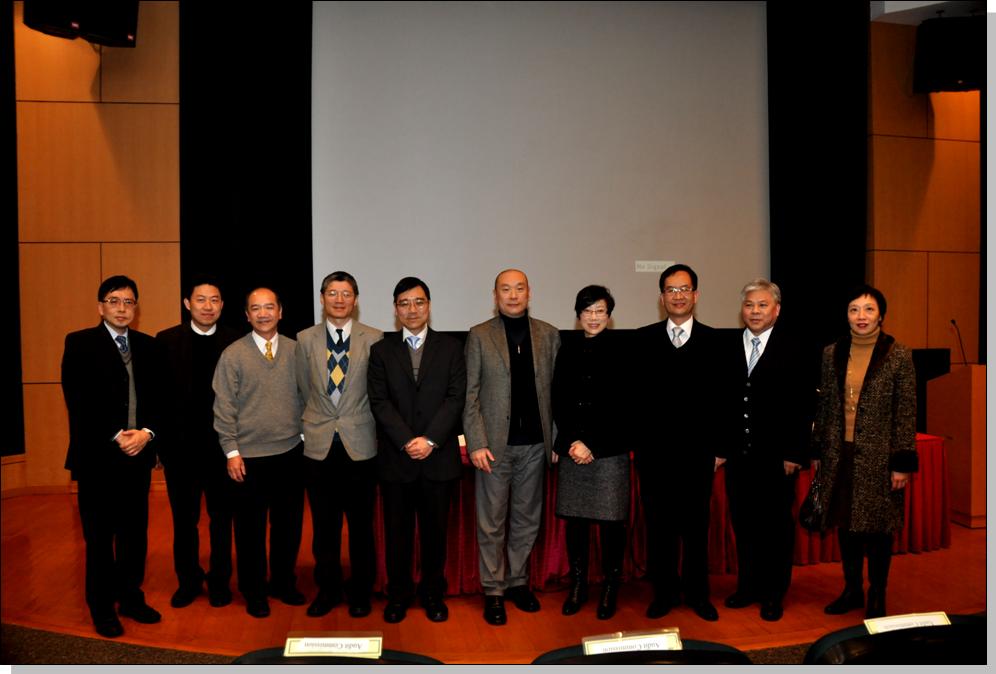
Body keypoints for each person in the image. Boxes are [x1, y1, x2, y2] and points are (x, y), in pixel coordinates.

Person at [61, 275, 161, 638]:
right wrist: (118, 434)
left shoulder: (149, 346)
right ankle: (102, 608)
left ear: (136, 308)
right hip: (98, 459)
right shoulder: (79, 343)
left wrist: (147, 433)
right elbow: (78, 400)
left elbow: (160, 400)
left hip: (138, 456)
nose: (122, 308)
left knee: (135, 535)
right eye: (114, 301)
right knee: (100, 538)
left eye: (129, 302)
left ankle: (131, 598)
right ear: (101, 306)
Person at [810, 285, 917, 619]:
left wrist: (901, 463)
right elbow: (826, 403)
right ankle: (852, 590)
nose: (861, 316)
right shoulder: (832, 353)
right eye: (854, 309)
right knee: (847, 527)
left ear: (880, 315)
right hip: (839, 454)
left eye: (868, 309)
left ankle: (877, 595)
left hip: (879, 457)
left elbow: (906, 410)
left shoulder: (899, 354)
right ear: (847, 315)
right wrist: (819, 451)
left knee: (878, 530)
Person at [367, 277, 466, 623]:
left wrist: (431, 440)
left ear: (429, 305)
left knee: (435, 536)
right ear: (395, 309)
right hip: (398, 459)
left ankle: (433, 595)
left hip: (438, 460)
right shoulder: (381, 351)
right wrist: (407, 440)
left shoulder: (452, 348)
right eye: (404, 303)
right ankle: (398, 596)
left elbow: (456, 398)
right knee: (398, 536)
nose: (412, 309)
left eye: (419, 302)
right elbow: (378, 401)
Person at [464, 269, 560, 626]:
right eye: (506, 289)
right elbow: (470, 394)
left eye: (519, 288)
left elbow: (557, 393)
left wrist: (556, 439)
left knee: (526, 519)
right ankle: (493, 590)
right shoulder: (479, 336)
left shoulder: (548, 335)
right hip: (493, 449)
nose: (513, 295)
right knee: (491, 523)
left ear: (529, 293)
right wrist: (476, 443)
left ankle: (518, 581)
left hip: (536, 445)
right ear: (495, 295)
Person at [717, 278, 812, 622]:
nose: (754, 311)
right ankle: (748, 586)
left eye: (762, 305)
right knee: (744, 524)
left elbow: (803, 406)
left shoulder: (794, 347)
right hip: (738, 457)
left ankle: (774, 593)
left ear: (776, 310)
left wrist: (795, 453)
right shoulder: (728, 345)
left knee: (775, 528)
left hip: (777, 458)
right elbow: (722, 403)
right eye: (749, 305)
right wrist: (721, 448)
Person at [213, 287, 306, 618]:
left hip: (291, 452)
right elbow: (223, 408)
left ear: (280, 311)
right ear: (247, 314)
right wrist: (231, 452)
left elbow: (309, 398)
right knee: (250, 530)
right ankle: (254, 591)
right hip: (248, 458)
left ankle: (283, 582)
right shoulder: (233, 355)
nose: (264, 313)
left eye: (270, 307)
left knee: (288, 526)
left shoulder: (298, 351)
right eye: (256, 308)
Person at [295, 271, 384, 618]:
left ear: (356, 299)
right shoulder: (304, 339)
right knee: (325, 529)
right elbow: (301, 389)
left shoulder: (374, 338)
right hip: (318, 448)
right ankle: (328, 590)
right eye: (332, 293)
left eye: (346, 293)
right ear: (322, 298)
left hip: (360, 446)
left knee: (362, 528)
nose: (339, 299)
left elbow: (377, 392)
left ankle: (360, 591)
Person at [636, 264, 720, 622]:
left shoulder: (716, 342)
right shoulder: (643, 339)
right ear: (661, 297)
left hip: (699, 456)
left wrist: (720, 449)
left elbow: (724, 399)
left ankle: (698, 594)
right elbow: (634, 399)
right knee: (660, 528)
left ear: (696, 295)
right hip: (655, 456)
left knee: (696, 528)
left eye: (685, 289)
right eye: (671, 290)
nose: (678, 295)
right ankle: (665, 593)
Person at [156, 276, 240, 609]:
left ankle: (220, 581)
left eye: (215, 300)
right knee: (184, 520)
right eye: (201, 300)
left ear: (222, 305)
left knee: (222, 520)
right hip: (180, 451)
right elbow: (158, 398)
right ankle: (188, 581)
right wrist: (159, 447)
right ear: (187, 303)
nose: (208, 306)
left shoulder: (237, 341)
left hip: (224, 450)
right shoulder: (165, 341)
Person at [552, 285, 630, 621]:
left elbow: (625, 406)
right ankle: (579, 585)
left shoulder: (622, 348)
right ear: (578, 314)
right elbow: (558, 399)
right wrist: (570, 442)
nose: (594, 317)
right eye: (587, 311)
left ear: (609, 314)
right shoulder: (567, 347)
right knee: (576, 524)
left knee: (612, 523)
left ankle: (611, 586)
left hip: (608, 452)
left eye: (600, 311)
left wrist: (592, 444)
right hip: (572, 451)